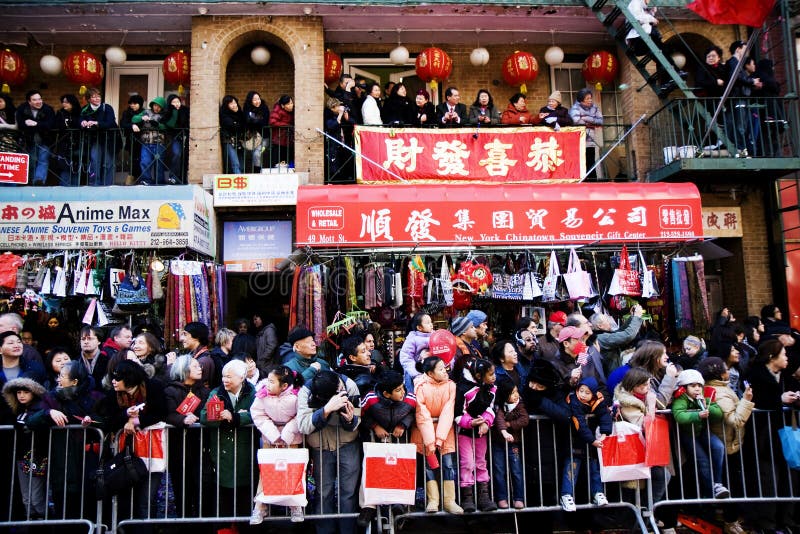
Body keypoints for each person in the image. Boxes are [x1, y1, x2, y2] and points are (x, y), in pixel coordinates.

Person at [26, 361, 104, 528]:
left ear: (74, 381)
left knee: (88, 506)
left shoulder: (94, 397)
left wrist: (92, 421)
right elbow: (31, 421)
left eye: (62, 376)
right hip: (61, 460)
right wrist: (48, 413)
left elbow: (106, 420)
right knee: (64, 510)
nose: (58, 380)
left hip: (87, 459)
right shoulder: (51, 398)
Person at [99, 360, 167, 525]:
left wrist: (137, 421)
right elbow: (106, 420)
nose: (114, 381)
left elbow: (162, 412)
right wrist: (125, 417)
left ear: (129, 378)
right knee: (125, 501)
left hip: (152, 453)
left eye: (118, 377)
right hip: (126, 456)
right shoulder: (113, 394)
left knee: (146, 501)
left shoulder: (153, 387)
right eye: (113, 377)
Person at [296, 370, 361, 534]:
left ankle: (348, 530)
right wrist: (326, 410)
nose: (341, 391)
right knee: (323, 492)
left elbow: (357, 422)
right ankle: (325, 530)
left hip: (348, 443)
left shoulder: (349, 385)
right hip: (320, 447)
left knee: (349, 492)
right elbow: (303, 425)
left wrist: (349, 419)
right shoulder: (307, 390)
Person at [698, 356, 754, 534]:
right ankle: (730, 521)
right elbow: (735, 420)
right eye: (725, 368)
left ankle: (728, 517)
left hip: (726, 443)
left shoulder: (719, 388)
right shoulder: (719, 392)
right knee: (732, 485)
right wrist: (746, 400)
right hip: (728, 444)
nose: (728, 371)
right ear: (719, 373)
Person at [357, 370, 417, 526]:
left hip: (398, 441)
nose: (403, 392)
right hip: (376, 442)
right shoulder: (371, 398)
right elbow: (361, 415)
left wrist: (403, 424)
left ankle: (400, 504)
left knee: (399, 471)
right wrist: (374, 426)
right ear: (386, 393)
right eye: (398, 390)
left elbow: (414, 413)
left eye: (403, 387)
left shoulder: (409, 398)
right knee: (370, 472)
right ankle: (368, 507)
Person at [200, 359, 256, 521]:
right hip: (222, 451)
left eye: (229, 377)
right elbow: (204, 416)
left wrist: (237, 417)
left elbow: (259, 413)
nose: (225, 380)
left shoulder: (253, 393)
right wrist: (219, 417)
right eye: (224, 376)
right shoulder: (216, 393)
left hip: (246, 451)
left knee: (246, 495)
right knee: (223, 495)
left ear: (242, 378)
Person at [250, 365, 305, 524]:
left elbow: (300, 415)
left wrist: (287, 432)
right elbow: (258, 414)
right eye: (268, 380)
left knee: (293, 471)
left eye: (272, 381)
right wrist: (273, 434)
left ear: (285, 386)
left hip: (292, 438)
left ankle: (295, 505)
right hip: (269, 438)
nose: (268, 384)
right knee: (266, 471)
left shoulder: (297, 396)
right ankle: (260, 506)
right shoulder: (262, 395)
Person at [411, 356, 463, 514]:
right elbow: (422, 414)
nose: (445, 371)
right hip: (425, 433)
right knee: (428, 466)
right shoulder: (420, 386)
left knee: (448, 465)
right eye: (440, 369)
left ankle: (449, 500)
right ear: (430, 373)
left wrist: (439, 438)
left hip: (446, 432)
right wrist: (430, 441)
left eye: (445, 367)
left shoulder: (451, 386)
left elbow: (448, 411)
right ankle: (433, 500)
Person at [671, 368, 730, 499]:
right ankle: (710, 492)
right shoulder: (681, 398)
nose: (697, 389)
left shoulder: (704, 396)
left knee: (719, 447)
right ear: (684, 387)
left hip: (702, 431)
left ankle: (718, 484)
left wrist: (707, 406)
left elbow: (718, 414)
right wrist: (697, 415)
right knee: (702, 460)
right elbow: (679, 415)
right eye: (692, 386)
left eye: (699, 386)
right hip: (688, 434)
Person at [163, 355, 209, 518]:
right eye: (196, 366)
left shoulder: (203, 390)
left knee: (201, 488)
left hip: (199, 446)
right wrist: (182, 420)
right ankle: (184, 522)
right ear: (184, 369)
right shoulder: (170, 390)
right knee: (182, 489)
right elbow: (168, 414)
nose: (200, 368)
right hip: (178, 448)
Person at [560, 376, 611, 512]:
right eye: (581, 390)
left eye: (587, 393)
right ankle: (566, 495)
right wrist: (593, 440)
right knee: (571, 470)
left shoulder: (598, 401)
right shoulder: (574, 400)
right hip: (574, 441)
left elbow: (605, 415)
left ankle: (598, 493)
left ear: (593, 394)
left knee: (595, 468)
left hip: (591, 444)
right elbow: (579, 423)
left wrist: (605, 433)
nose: (583, 395)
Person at [454, 358, 497, 513]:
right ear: (479, 376)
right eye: (490, 374)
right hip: (465, 432)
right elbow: (458, 413)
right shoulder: (463, 388)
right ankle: (467, 497)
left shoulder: (491, 389)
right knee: (467, 463)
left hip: (481, 433)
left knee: (481, 462)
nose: (494, 376)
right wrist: (471, 422)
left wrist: (486, 422)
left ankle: (484, 497)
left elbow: (491, 408)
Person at [2, 377, 47, 519]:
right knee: (26, 498)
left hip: (37, 458)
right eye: (19, 392)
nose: (21, 395)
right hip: (21, 458)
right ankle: (31, 524)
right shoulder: (17, 411)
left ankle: (42, 523)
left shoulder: (40, 408)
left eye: (25, 392)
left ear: (33, 393)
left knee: (36, 498)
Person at [625, 0, 687, 97]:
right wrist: (651, 18)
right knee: (662, 52)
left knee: (662, 54)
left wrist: (651, 13)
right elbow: (637, 18)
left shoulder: (642, 6)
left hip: (645, 37)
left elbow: (644, 19)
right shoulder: (635, 2)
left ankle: (666, 83)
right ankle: (674, 73)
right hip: (638, 40)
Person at [491, 376, 528, 510]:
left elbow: (525, 419)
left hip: (514, 443)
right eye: (512, 393)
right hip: (498, 442)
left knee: (516, 470)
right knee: (499, 470)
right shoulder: (498, 406)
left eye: (517, 391)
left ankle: (518, 498)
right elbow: (499, 418)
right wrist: (504, 430)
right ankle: (501, 498)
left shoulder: (519, 404)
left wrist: (510, 424)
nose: (516, 395)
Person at [725, 40, 762, 158]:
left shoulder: (736, 63)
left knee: (743, 125)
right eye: (745, 49)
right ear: (738, 49)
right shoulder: (733, 62)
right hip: (738, 98)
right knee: (741, 126)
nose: (746, 52)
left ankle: (741, 149)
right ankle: (741, 150)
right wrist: (752, 81)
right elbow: (737, 77)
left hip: (740, 98)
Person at [16, 90, 55, 186]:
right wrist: (26, 123)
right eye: (35, 100)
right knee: (31, 161)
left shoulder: (48, 109)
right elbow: (20, 124)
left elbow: (50, 125)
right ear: (29, 102)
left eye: (40, 99)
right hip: (28, 140)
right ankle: (29, 182)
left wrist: (36, 123)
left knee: (43, 159)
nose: (38, 101)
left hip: (45, 139)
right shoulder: (22, 109)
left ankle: (39, 181)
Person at [80, 87, 118, 186]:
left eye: (98, 96)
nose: (97, 99)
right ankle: (94, 184)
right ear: (89, 99)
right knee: (94, 161)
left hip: (108, 139)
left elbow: (111, 122)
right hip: (94, 139)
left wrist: (96, 123)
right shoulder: (85, 110)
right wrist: (82, 122)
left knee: (108, 163)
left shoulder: (107, 108)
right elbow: (80, 119)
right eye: (94, 97)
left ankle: (107, 185)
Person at [591, 304, 644, 375]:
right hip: (610, 375)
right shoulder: (601, 338)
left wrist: (632, 317)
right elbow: (627, 335)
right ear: (600, 326)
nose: (609, 322)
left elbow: (620, 332)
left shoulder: (601, 335)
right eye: (606, 320)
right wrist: (637, 317)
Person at [131, 96, 167, 185]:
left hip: (159, 142)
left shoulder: (165, 114)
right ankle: (146, 180)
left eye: (159, 106)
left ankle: (159, 182)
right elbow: (134, 119)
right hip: (146, 142)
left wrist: (157, 124)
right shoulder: (146, 112)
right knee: (145, 161)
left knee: (159, 163)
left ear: (162, 107)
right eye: (155, 105)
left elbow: (166, 127)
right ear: (152, 105)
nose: (156, 108)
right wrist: (142, 118)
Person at [569, 88, 604, 179]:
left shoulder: (594, 108)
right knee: (581, 160)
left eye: (590, 98)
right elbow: (575, 121)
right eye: (587, 98)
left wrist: (586, 118)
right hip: (579, 139)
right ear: (581, 99)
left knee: (591, 160)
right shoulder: (575, 108)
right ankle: (582, 180)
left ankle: (593, 181)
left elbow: (600, 121)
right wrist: (591, 121)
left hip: (591, 139)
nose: (590, 100)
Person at [53, 94, 82, 186]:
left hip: (78, 143)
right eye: (63, 102)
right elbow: (57, 126)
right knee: (64, 167)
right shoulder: (60, 113)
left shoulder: (80, 113)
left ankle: (75, 189)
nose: (64, 104)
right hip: (64, 144)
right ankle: (64, 190)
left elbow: (80, 125)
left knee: (76, 167)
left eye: (67, 102)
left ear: (72, 102)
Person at [399, 312, 433, 393]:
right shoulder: (412, 339)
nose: (431, 324)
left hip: (432, 372)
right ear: (419, 327)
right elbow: (405, 358)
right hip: (415, 375)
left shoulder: (435, 336)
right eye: (428, 323)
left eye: (431, 322)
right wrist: (416, 374)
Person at [324, 97, 354, 182]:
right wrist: (340, 115)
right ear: (332, 108)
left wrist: (347, 117)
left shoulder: (339, 115)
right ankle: (333, 179)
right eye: (337, 106)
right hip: (333, 143)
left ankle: (345, 178)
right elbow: (331, 126)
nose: (339, 107)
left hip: (342, 142)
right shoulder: (328, 115)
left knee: (344, 160)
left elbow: (353, 122)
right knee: (334, 163)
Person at [163, 94, 189, 184]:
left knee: (185, 158)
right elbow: (171, 124)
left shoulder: (185, 110)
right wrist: (174, 112)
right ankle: (173, 177)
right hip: (176, 138)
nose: (177, 104)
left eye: (178, 101)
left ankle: (183, 178)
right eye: (174, 102)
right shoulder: (168, 112)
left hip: (187, 138)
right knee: (177, 154)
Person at [178, 322, 214, 388]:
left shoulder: (204, 360)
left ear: (196, 336)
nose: (181, 339)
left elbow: (195, 387)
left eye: (185, 334)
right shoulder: (194, 355)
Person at [242, 90, 269, 173]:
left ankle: (257, 174)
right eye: (254, 99)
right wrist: (256, 120)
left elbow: (264, 122)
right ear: (250, 101)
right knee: (255, 156)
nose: (257, 101)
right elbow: (247, 120)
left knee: (257, 154)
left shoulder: (264, 108)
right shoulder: (247, 108)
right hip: (253, 138)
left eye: (258, 98)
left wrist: (253, 120)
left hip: (265, 138)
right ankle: (257, 173)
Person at [119, 95, 144, 181]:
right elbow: (123, 123)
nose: (132, 105)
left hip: (143, 140)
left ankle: (141, 177)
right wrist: (132, 125)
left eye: (135, 103)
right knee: (133, 159)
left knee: (142, 159)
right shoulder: (127, 112)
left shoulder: (144, 112)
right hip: (132, 139)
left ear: (140, 104)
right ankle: (131, 176)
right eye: (131, 103)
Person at [219, 95, 244, 174]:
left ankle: (241, 179)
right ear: (227, 105)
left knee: (241, 164)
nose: (234, 105)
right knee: (235, 163)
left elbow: (243, 124)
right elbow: (232, 125)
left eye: (235, 103)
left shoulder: (239, 112)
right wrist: (237, 124)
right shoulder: (224, 113)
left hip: (239, 141)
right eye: (231, 104)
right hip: (229, 140)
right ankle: (239, 181)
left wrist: (237, 123)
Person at [269, 95, 295, 166]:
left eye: (291, 103)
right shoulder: (277, 110)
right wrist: (287, 125)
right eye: (288, 104)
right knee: (278, 164)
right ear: (283, 106)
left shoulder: (293, 111)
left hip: (289, 141)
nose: (291, 105)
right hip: (279, 141)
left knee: (288, 164)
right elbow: (272, 122)